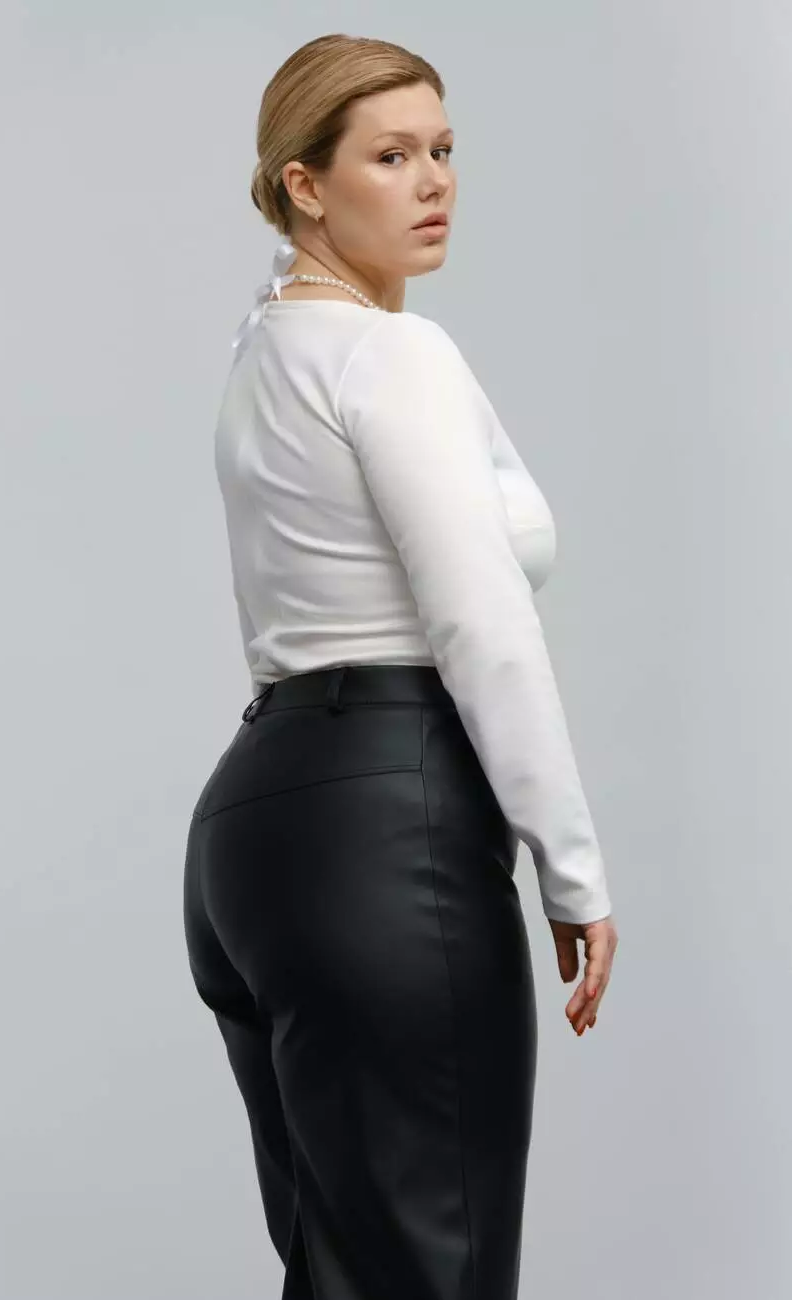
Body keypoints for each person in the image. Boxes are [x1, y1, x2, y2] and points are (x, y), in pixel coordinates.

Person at [183, 31, 619, 1300]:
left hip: (260, 832)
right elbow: (481, 620)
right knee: (436, 1273)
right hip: (389, 823)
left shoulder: (264, 352)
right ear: (304, 184)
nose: (433, 181)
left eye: (442, 149)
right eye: (389, 156)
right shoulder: (391, 354)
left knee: (343, 1274)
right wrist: (571, 866)